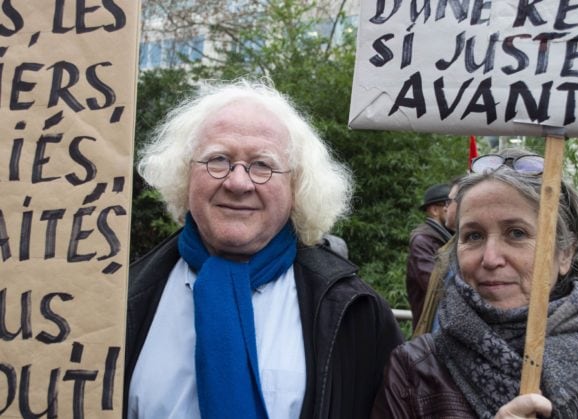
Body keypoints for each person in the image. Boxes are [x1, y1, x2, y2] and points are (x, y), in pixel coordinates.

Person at [124, 79, 403, 419]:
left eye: (262, 165)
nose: (238, 183)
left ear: (295, 185)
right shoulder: (121, 296)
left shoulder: (356, 313)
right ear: (186, 174)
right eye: (218, 159)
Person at [373, 148, 578, 418]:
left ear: (564, 254)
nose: (490, 258)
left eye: (516, 233)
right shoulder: (414, 372)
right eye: (473, 236)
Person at [406, 183, 452, 329]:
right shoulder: (423, 241)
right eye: (448, 203)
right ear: (434, 210)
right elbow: (434, 284)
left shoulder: (448, 237)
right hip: (431, 326)